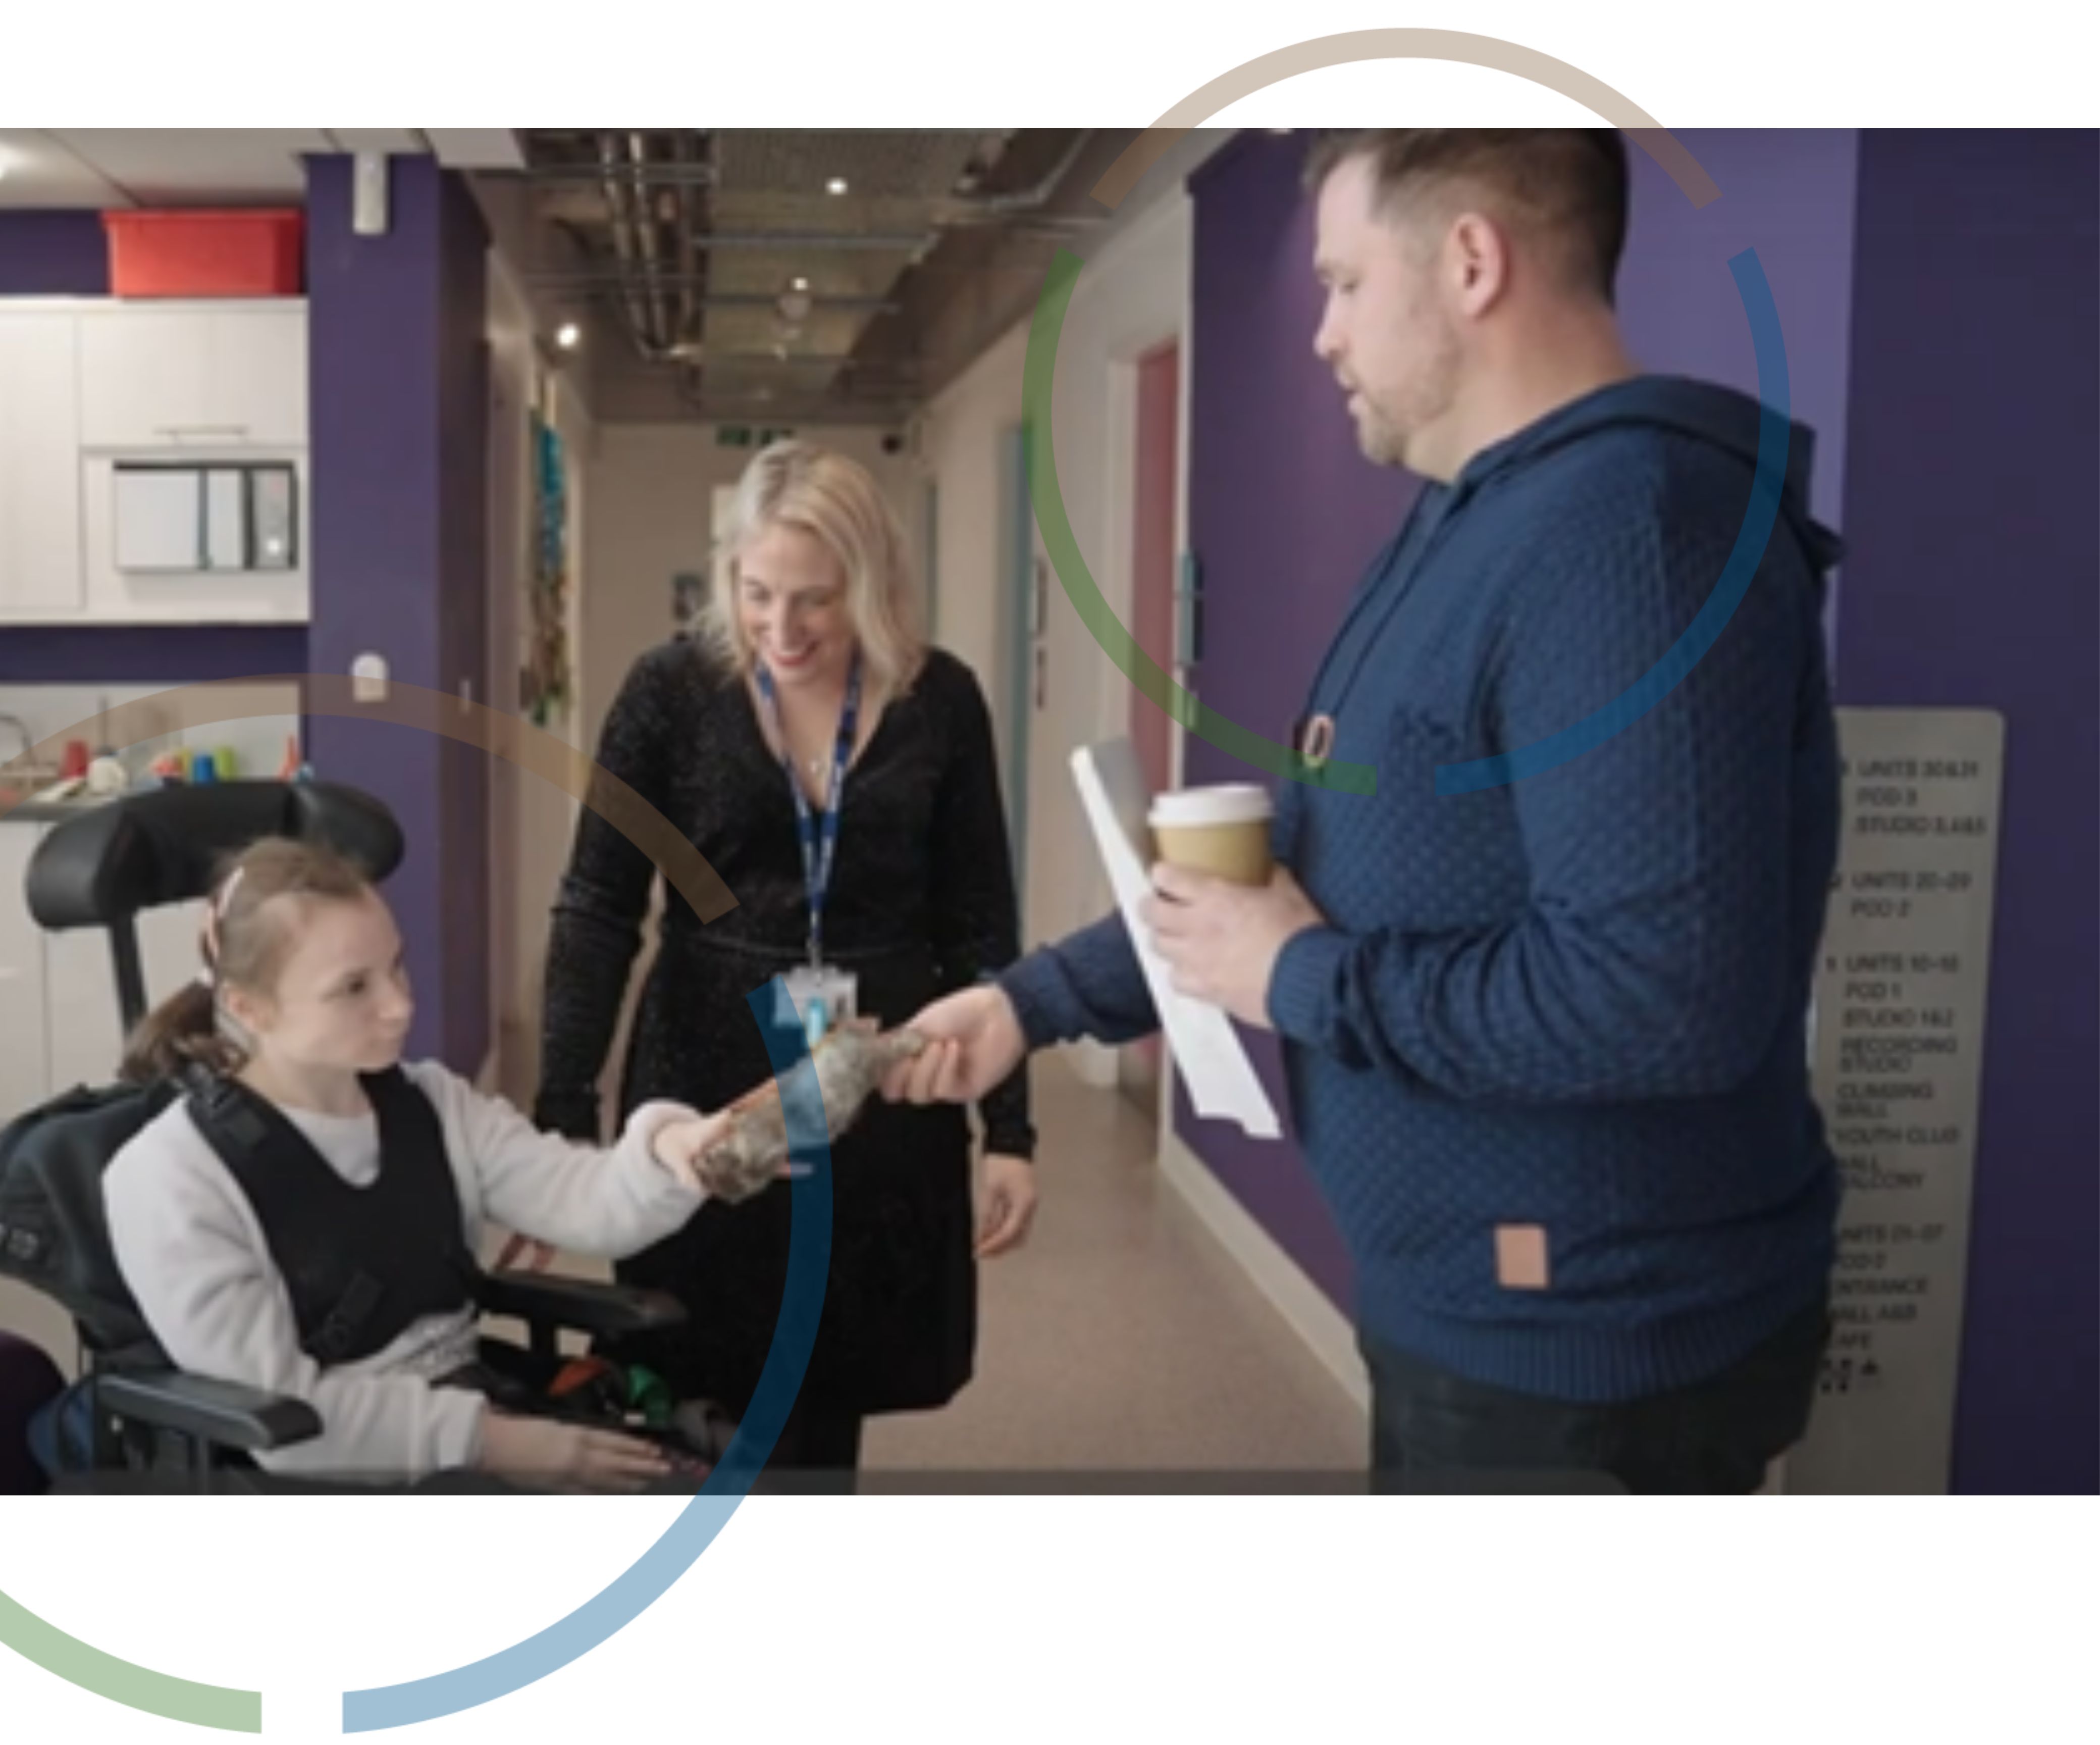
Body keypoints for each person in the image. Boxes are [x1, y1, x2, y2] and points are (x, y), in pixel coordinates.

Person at [885, 129, 1844, 1493]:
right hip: (1476, 1320)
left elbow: (1660, 997)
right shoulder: (1477, 519)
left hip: (1589, 1365)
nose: (1323, 334)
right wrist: (1032, 1003)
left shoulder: (1632, 532)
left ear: (1470, 262)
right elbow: (1336, 852)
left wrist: (1303, 979)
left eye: (1342, 283)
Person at [537, 440, 1035, 1482]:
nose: (782, 629)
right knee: (692, 1372)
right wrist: (560, 1118)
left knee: (832, 1380)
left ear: (874, 581)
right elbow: (596, 908)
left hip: (884, 1078)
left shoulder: (940, 700)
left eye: (816, 599)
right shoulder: (670, 692)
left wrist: (1012, 1131)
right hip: (705, 1076)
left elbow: (981, 927)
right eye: (756, 593)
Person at [100, 836, 746, 1492]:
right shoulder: (172, 1177)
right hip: (339, 1472)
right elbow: (286, 1421)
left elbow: (586, 1198)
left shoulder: (432, 1104)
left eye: (397, 967)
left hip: (473, 1418)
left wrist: (672, 1153)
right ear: (248, 1008)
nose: (401, 1005)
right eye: (354, 987)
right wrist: (501, 1444)